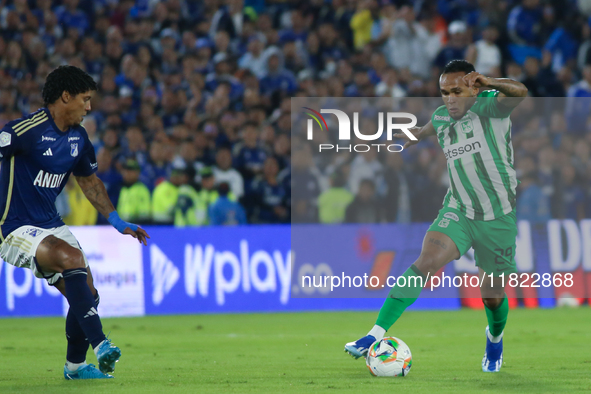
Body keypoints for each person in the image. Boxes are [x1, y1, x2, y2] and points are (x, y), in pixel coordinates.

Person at [344, 60, 527, 373]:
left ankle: (494, 340)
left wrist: (491, 81)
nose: (450, 99)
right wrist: (416, 134)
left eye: (456, 91)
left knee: (492, 296)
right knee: (425, 262)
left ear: (474, 87)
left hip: (497, 217)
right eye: (444, 92)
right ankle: (373, 334)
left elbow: (520, 92)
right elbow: (433, 126)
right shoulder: (442, 117)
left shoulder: (491, 107)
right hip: (458, 209)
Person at [0, 66, 150, 380]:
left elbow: (91, 183)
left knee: (88, 294)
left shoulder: (79, 138)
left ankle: (75, 368)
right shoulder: (25, 131)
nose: (89, 107)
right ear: (65, 97)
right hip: (12, 225)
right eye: (85, 99)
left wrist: (116, 220)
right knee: (72, 258)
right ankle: (102, 344)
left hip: (49, 223)